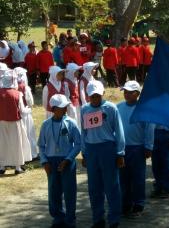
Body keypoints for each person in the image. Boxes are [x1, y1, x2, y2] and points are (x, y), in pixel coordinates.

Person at [81, 80, 125, 228]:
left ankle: (114, 219)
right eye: (92, 96)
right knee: (94, 187)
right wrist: (84, 153)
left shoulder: (111, 108)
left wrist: (120, 153)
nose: (95, 98)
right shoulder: (84, 109)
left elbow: (119, 131)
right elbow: (83, 132)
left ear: (103, 94)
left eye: (98, 95)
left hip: (107, 149)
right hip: (92, 149)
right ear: (88, 96)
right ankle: (98, 218)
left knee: (111, 185)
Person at [38, 94, 81, 228]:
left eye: (66, 106)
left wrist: (68, 159)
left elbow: (78, 143)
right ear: (54, 109)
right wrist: (44, 162)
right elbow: (41, 145)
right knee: (53, 190)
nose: (65, 109)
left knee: (69, 191)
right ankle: (57, 217)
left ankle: (70, 219)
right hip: (51, 161)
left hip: (67, 160)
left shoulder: (71, 123)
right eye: (62, 107)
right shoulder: (46, 125)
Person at [117, 81, 154, 217]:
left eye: (129, 92)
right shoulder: (119, 107)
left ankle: (138, 204)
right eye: (125, 91)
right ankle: (125, 204)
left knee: (137, 178)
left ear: (137, 94)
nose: (126, 94)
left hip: (138, 148)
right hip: (122, 149)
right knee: (123, 178)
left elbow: (149, 129)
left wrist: (148, 146)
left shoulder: (144, 108)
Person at [0, 70, 32, 175]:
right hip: (15, 122)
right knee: (17, 144)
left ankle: (2, 166)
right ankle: (18, 167)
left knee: (3, 143)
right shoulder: (17, 94)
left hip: (2, 122)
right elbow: (22, 111)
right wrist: (29, 109)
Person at [15, 67, 38, 160]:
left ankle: (22, 155)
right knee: (29, 134)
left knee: (20, 136)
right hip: (25, 114)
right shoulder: (25, 88)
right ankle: (32, 154)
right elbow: (30, 102)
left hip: (17, 115)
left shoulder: (12, 87)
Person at [150, 123, 169, 199]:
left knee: (167, 164)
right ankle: (158, 186)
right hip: (154, 133)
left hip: (166, 135)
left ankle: (166, 187)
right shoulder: (153, 110)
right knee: (156, 164)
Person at [65, 63, 82, 128]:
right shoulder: (66, 83)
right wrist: (70, 106)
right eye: (76, 71)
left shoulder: (75, 80)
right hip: (71, 105)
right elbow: (66, 96)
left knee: (78, 119)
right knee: (73, 119)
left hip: (77, 103)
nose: (78, 72)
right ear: (72, 72)